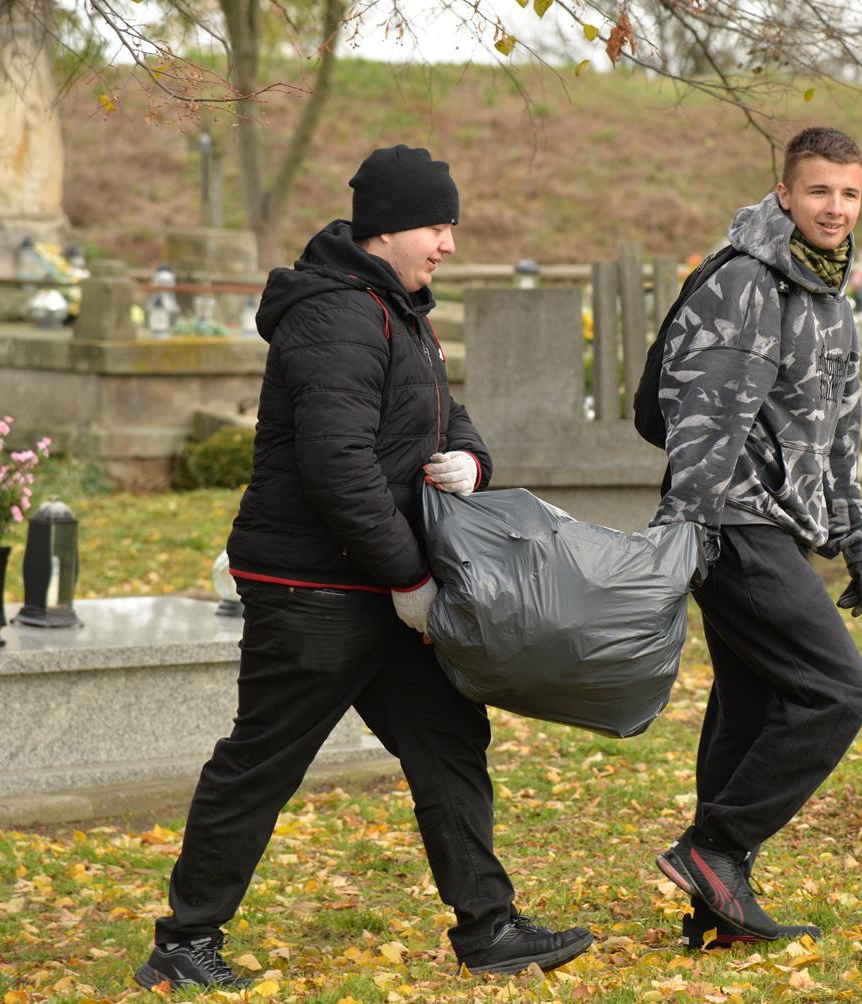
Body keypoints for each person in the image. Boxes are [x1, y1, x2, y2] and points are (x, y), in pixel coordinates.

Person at [135, 145, 593, 990]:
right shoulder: (337, 313)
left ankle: (489, 926)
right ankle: (184, 941)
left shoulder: (402, 310)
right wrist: (412, 581)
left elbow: (452, 419)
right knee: (264, 760)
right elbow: (337, 467)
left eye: (451, 224)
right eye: (436, 224)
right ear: (385, 229)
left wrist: (470, 465)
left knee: (449, 739)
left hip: (380, 587)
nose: (448, 243)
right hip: (313, 587)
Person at [649, 126, 862, 947]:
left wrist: (858, 535)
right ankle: (715, 849)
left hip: (776, 524)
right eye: (819, 190)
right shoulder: (746, 282)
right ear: (784, 193)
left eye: (849, 193)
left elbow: (836, 434)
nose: (835, 207)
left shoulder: (829, 295)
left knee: (749, 707)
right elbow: (702, 418)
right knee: (838, 690)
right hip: (734, 524)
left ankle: (716, 910)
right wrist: (690, 534)